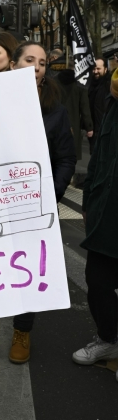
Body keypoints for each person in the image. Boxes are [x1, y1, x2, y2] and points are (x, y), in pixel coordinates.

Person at [0, 41, 76, 366]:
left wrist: (52, 194)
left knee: (26, 269)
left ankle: (22, 331)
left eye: (43, 62)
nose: (37, 67)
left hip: (34, 208)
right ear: (15, 65)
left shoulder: (55, 111)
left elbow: (65, 159)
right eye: (30, 60)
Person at [72, 69, 118, 368]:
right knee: (98, 282)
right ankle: (108, 340)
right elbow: (100, 155)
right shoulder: (112, 103)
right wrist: (88, 200)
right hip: (106, 215)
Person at [55, 60, 93, 161]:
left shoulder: (54, 81)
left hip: (56, 121)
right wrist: (89, 127)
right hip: (73, 122)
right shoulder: (80, 83)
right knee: (71, 154)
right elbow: (84, 106)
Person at [87, 57, 110, 154]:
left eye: (98, 69)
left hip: (107, 130)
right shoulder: (89, 85)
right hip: (93, 131)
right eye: (94, 69)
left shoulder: (110, 85)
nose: (95, 71)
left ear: (105, 69)